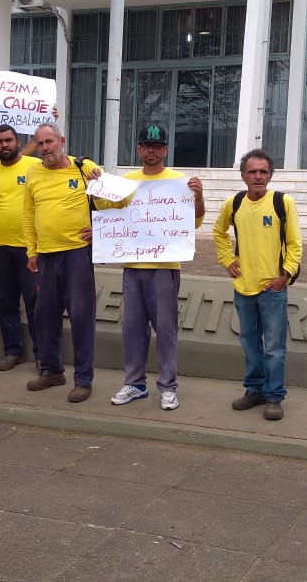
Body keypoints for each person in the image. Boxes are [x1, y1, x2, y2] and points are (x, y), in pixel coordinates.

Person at [109, 124, 205, 411]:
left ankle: (168, 386)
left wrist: (198, 197)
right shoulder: (126, 181)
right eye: (146, 146)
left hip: (164, 267)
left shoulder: (179, 181)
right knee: (132, 329)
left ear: (165, 149)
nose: (151, 151)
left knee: (165, 330)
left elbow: (195, 222)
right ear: (139, 149)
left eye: (157, 146)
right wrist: (99, 228)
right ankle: (135, 384)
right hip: (133, 265)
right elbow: (110, 214)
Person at [212, 148, 302, 421]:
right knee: (250, 343)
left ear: (270, 175)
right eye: (252, 172)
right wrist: (228, 260)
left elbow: (295, 245)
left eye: (263, 171)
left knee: (274, 347)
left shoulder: (282, 202)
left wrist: (283, 277)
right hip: (243, 288)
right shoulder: (234, 203)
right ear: (243, 176)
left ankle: (274, 397)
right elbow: (218, 232)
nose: (258, 176)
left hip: (272, 290)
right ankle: (254, 390)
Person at [23, 123, 107, 403]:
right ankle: (52, 370)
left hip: (77, 255)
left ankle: (83, 380)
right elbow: (28, 214)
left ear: (62, 140)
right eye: (39, 144)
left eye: (49, 142)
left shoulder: (84, 168)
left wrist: (101, 228)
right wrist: (31, 252)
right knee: (44, 316)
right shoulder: (33, 172)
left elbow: (113, 205)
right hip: (45, 257)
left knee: (82, 317)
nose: (45, 148)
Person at [0, 124, 43, 371]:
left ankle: (42, 355)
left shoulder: (35, 166)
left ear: (17, 141)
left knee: (36, 302)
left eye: (8, 140)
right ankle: (13, 352)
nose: (4, 145)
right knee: (5, 302)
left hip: (29, 250)